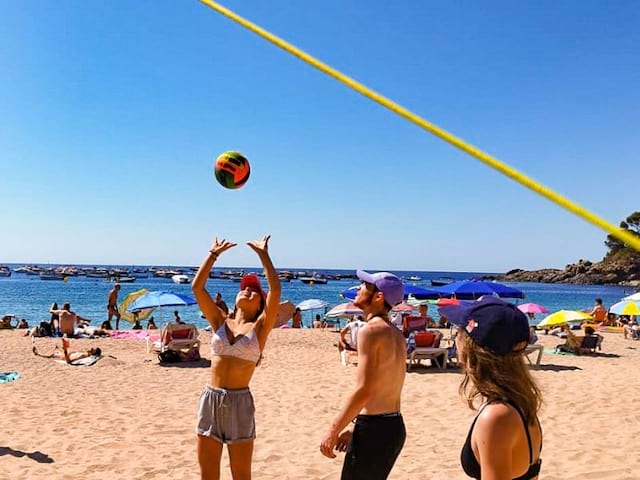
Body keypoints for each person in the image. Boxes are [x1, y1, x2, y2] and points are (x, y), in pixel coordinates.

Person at [192, 235, 281, 480]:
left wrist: (263, 255)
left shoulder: (260, 328)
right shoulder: (220, 320)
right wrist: (212, 255)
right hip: (210, 399)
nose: (248, 291)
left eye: (254, 291)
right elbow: (197, 288)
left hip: (240, 403)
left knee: (241, 475)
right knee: (208, 475)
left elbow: (275, 290)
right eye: (244, 288)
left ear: (261, 304)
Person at [439, 296, 543, 480]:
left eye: (459, 332)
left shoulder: (497, 417)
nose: (457, 339)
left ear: (472, 347)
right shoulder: (520, 401)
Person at [320, 270, 407, 480]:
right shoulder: (396, 334)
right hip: (393, 425)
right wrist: (355, 427)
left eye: (365, 285)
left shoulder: (370, 331)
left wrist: (333, 431)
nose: (359, 288)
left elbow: (364, 390)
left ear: (378, 297)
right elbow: (382, 386)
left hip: (376, 428)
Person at [33, 338, 102, 364]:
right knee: (56, 351)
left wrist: (65, 351)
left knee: (53, 354)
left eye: (92, 349)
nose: (91, 348)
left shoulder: (83, 355)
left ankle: (38, 354)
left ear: (93, 353)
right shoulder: (84, 354)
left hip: (64, 356)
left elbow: (68, 361)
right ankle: (57, 349)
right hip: (65, 354)